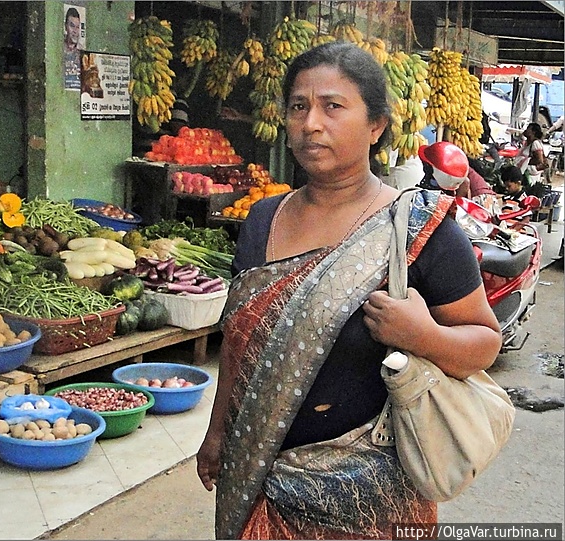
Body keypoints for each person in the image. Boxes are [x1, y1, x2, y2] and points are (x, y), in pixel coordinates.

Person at [196, 41, 502, 540]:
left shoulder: (418, 228)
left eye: (333, 106)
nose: (311, 123)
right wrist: (216, 434)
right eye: (299, 106)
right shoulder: (260, 221)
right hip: (258, 475)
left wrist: (421, 334)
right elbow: (239, 344)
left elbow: (484, 344)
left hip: (372, 494)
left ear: (376, 125)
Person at [63, 7, 83, 88]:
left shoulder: (82, 51)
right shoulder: (58, 49)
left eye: (77, 27)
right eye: (72, 26)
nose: (75, 31)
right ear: (66, 27)